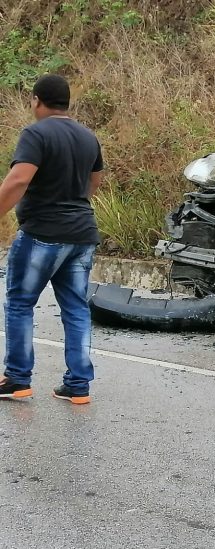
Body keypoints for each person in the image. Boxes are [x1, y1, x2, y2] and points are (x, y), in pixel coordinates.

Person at [0, 74, 103, 405]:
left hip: (43, 235)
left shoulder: (36, 132)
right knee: (75, 308)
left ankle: (16, 379)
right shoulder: (88, 137)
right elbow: (95, 180)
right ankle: (78, 384)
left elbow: (19, 179)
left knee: (19, 302)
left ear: (36, 100)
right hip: (82, 234)